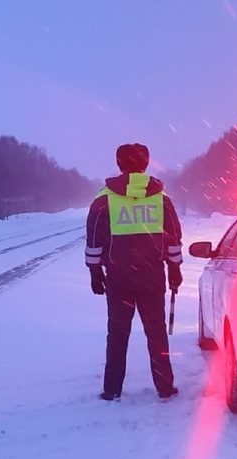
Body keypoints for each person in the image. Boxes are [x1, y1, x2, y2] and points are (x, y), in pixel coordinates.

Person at [85, 143, 183, 401]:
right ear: (146, 164)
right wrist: (174, 269)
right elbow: (173, 238)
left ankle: (112, 390)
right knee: (157, 333)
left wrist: (95, 273)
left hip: (119, 279)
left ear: (119, 164)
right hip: (152, 277)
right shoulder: (161, 199)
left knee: (117, 334)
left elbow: (93, 239)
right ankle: (164, 387)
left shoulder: (104, 199)